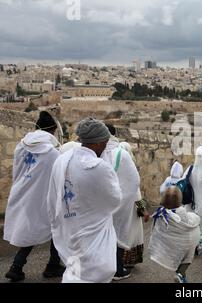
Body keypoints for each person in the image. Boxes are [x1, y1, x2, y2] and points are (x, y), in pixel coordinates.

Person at [47, 117, 122, 283]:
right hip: (93, 229)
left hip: (70, 225)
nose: (106, 146)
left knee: (75, 268)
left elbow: (53, 194)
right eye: (105, 142)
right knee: (96, 270)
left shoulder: (62, 160)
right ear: (96, 143)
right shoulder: (98, 167)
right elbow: (115, 199)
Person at [4, 111, 65, 282]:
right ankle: (50, 265)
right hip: (42, 196)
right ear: (53, 130)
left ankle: (18, 266)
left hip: (21, 191)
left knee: (30, 229)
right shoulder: (53, 153)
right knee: (54, 228)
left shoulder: (21, 146)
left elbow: (18, 170)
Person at [101, 124, 141, 280]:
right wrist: (126, 201)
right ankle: (117, 269)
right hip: (121, 205)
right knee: (117, 235)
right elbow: (134, 182)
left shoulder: (96, 152)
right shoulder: (121, 154)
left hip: (101, 204)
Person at [148, 186, 201, 283]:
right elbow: (193, 222)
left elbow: (155, 229)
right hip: (184, 242)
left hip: (169, 243)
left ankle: (181, 275)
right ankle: (180, 273)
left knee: (187, 241)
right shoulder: (181, 212)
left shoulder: (160, 214)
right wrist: (195, 216)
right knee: (194, 236)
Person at [118, 141, 149, 269]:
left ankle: (118, 261)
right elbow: (137, 194)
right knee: (130, 233)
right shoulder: (130, 170)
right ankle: (126, 261)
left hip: (118, 209)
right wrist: (143, 210)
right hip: (130, 210)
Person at [182, 146, 202, 256]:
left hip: (190, 202)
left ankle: (190, 246)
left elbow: (183, 181)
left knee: (191, 224)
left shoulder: (190, 169)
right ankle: (198, 246)